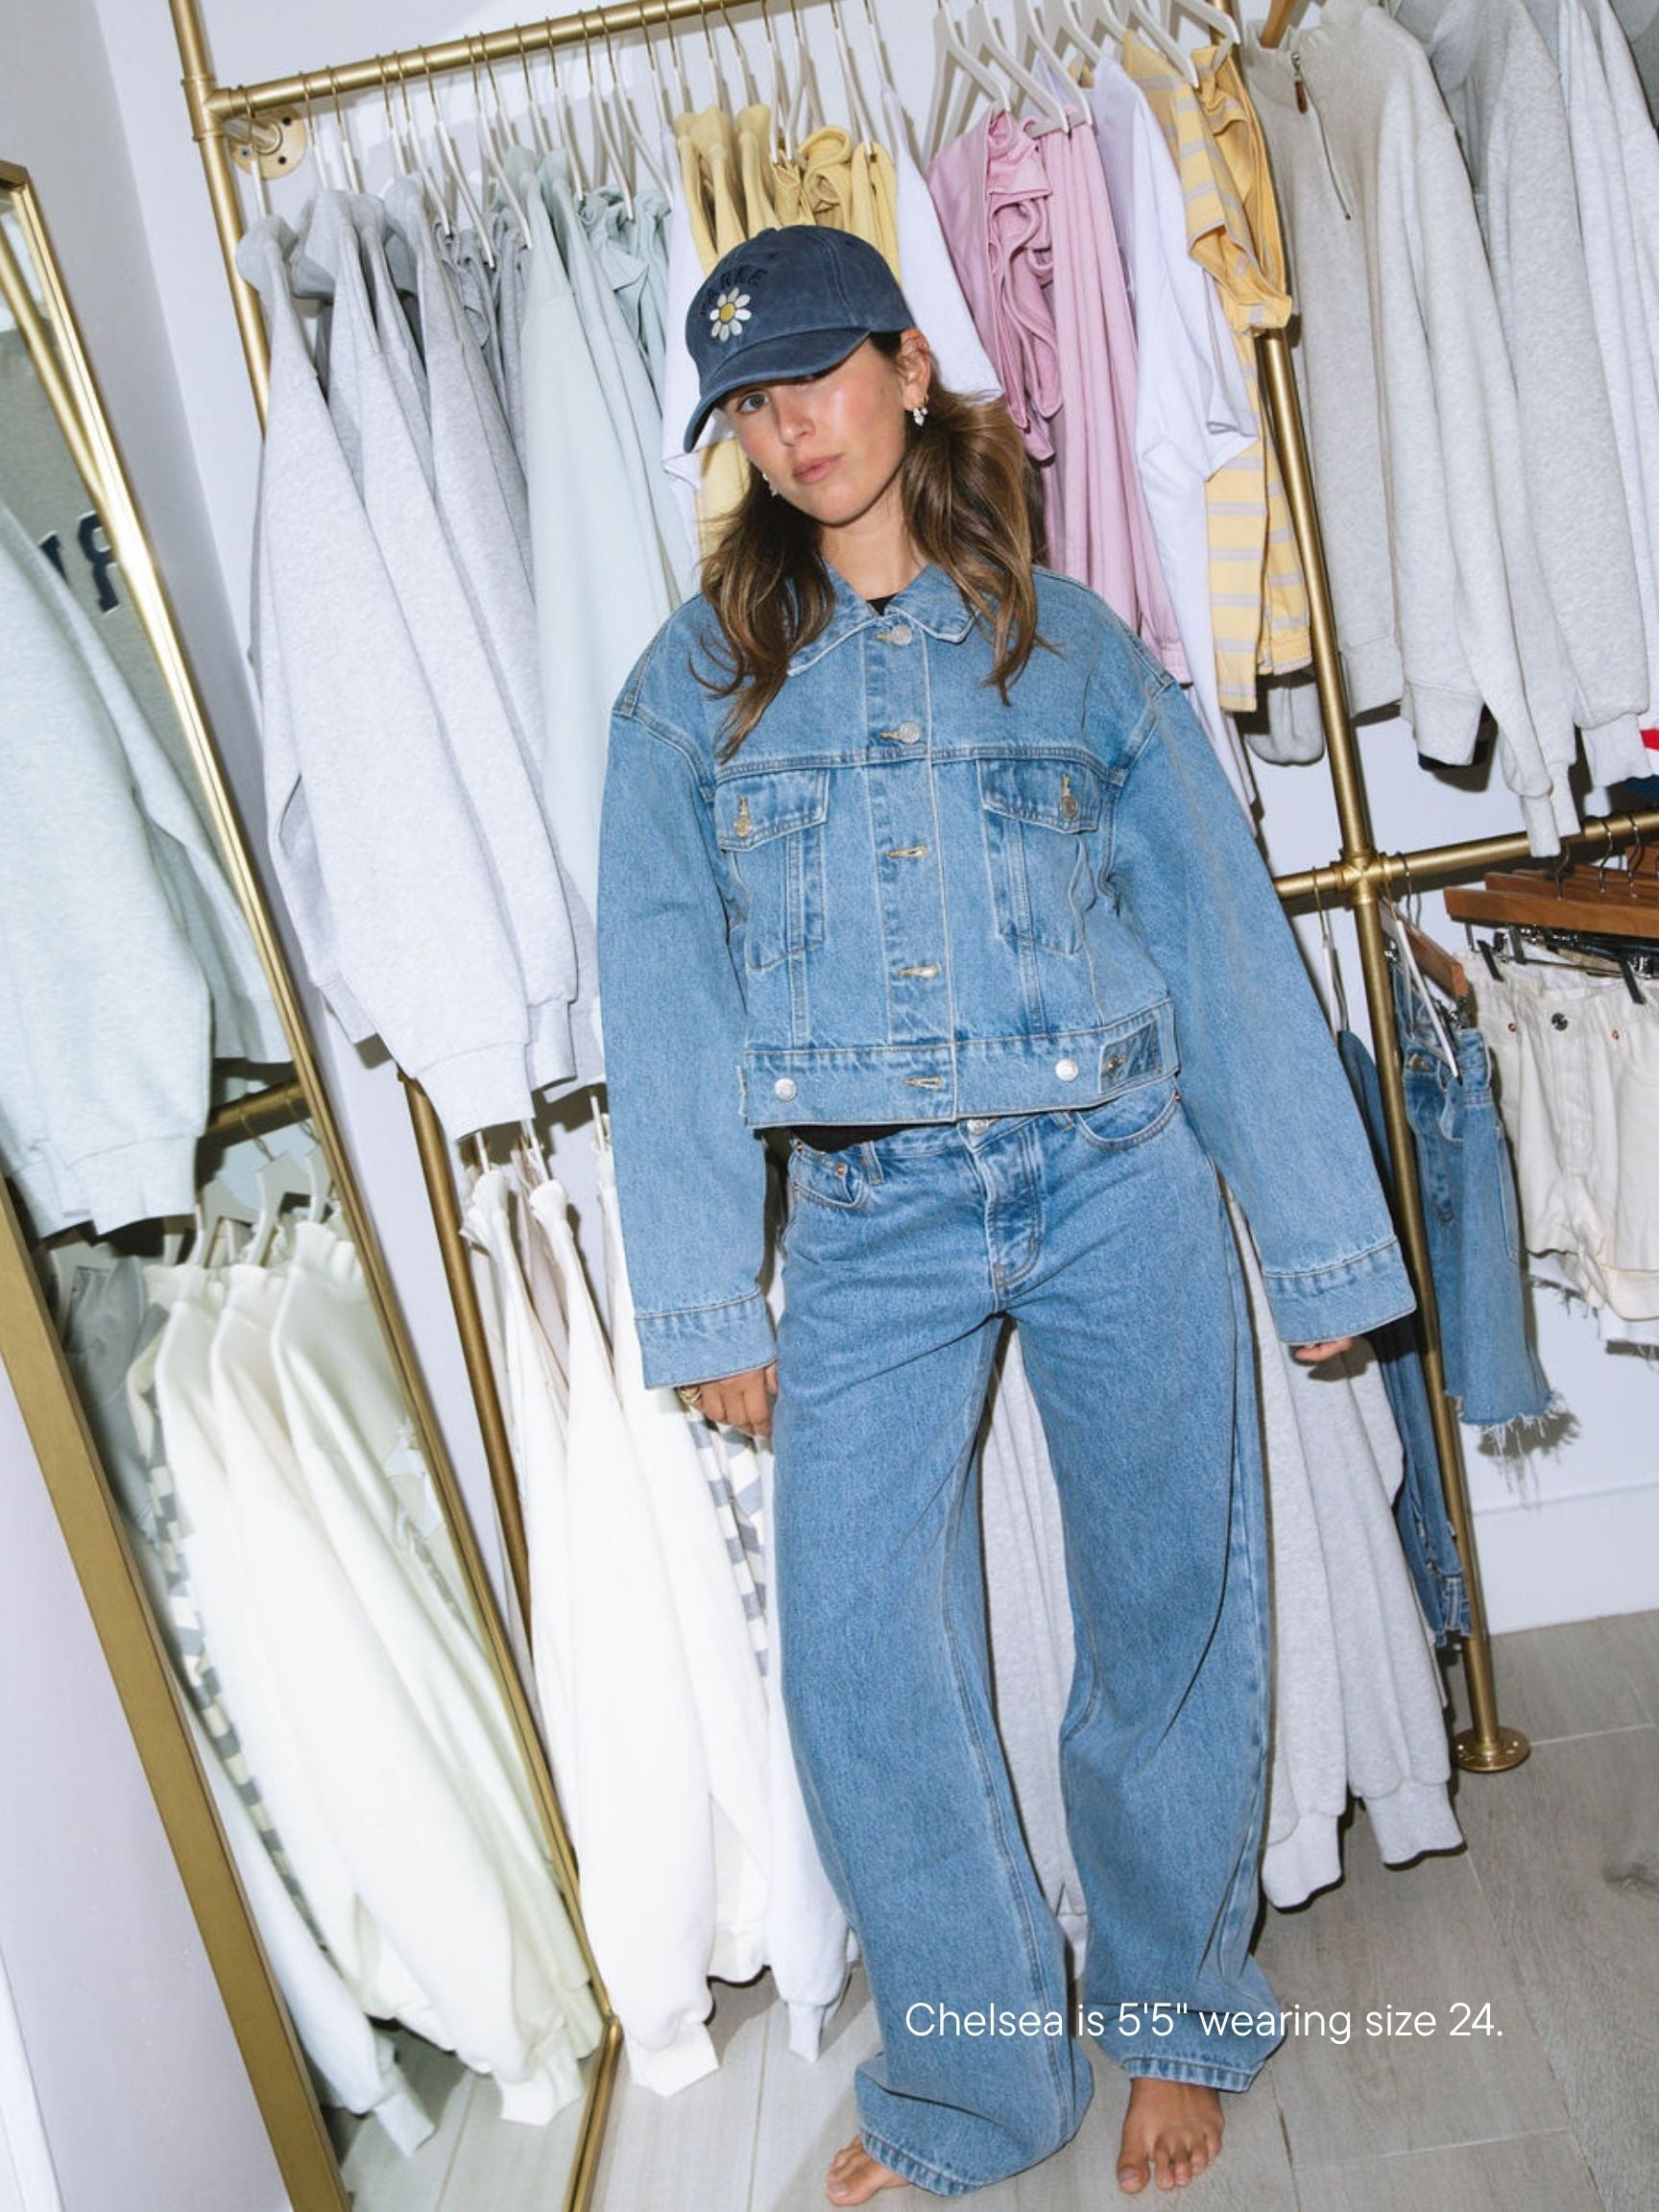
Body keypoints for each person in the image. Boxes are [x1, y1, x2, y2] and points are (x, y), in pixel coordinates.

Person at [595, 226, 1413, 2202]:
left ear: (905, 366)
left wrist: (1319, 1236)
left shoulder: (1069, 640)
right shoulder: (691, 688)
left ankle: (1174, 2015)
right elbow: (664, 1000)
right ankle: (977, 2081)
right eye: (750, 405)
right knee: (862, 1662)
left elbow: (1216, 933)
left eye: (818, 375)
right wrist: (706, 1303)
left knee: (1165, 1608)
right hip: (867, 1216)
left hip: (1117, 1170)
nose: (792, 428)